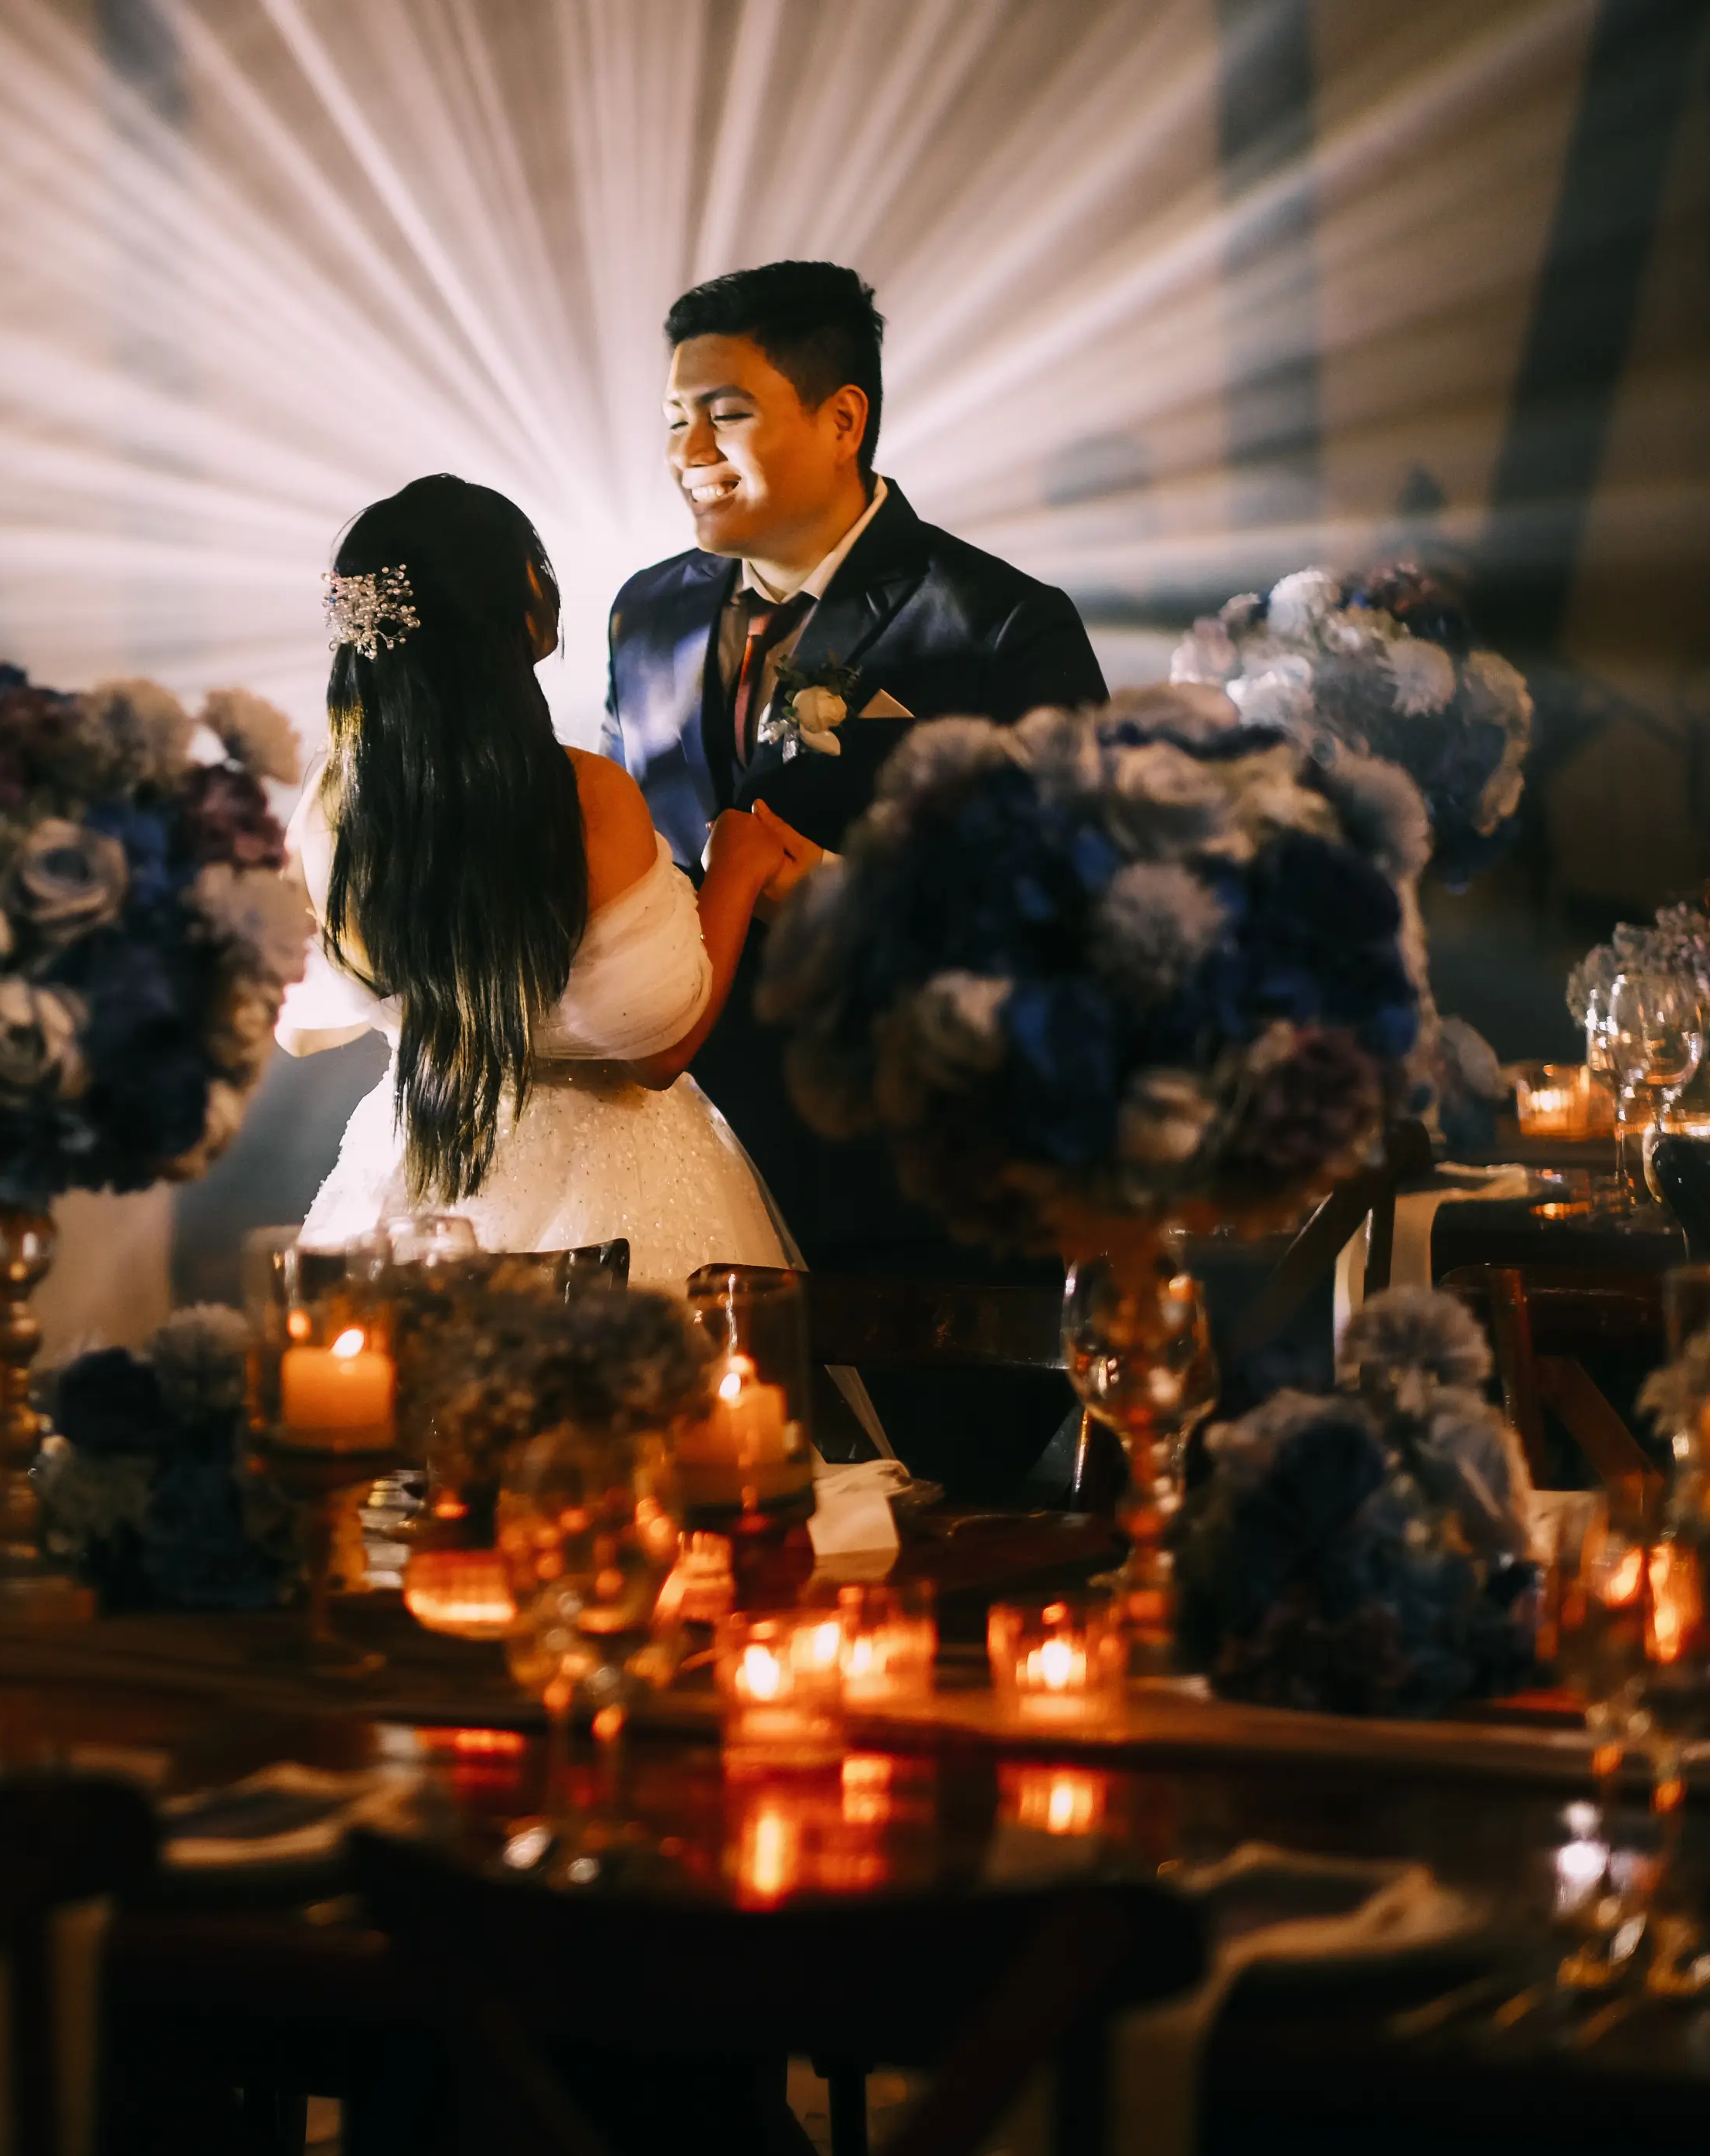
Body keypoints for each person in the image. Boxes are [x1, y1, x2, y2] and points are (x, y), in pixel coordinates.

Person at [606, 260, 1108, 1478]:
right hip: (690, 1158)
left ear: (843, 420)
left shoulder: (996, 625)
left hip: (909, 1183)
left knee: (947, 1540)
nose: (689, 449)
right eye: (675, 417)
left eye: (725, 412)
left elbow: (1079, 912)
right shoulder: (651, 615)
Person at [277, 474, 823, 1289]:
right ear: (518, 609)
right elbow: (657, 1050)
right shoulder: (583, 794)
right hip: (612, 1184)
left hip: (421, 1160)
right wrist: (737, 870)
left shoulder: (332, 810)